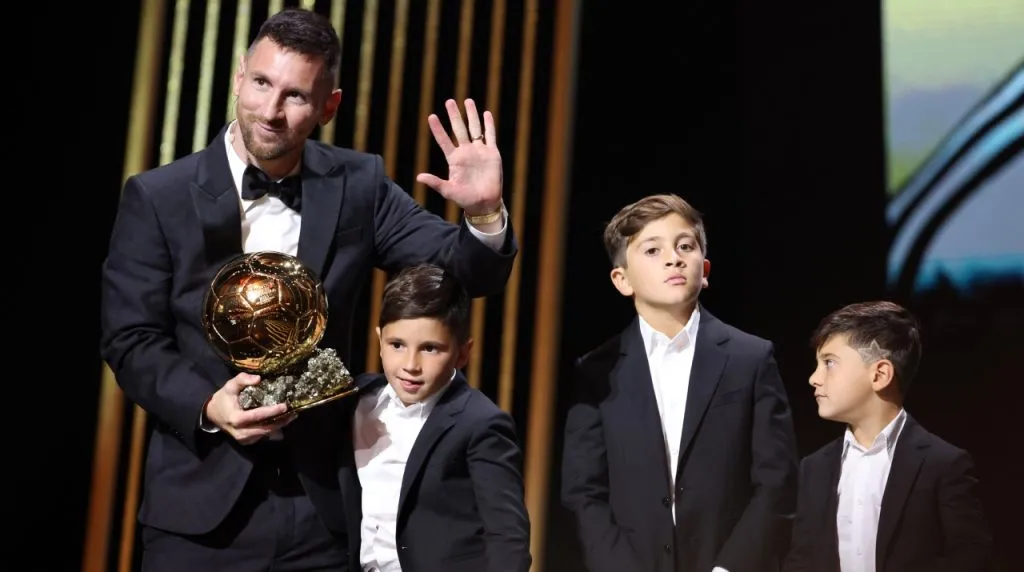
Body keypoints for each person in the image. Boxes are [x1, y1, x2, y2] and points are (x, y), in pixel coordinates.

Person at [99, 7, 517, 570]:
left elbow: (466, 270)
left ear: (329, 106)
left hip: (322, 511)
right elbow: (132, 339)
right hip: (198, 514)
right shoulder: (158, 196)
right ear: (239, 77)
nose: (270, 111)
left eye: (295, 96)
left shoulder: (358, 184)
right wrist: (207, 405)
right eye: (262, 84)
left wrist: (485, 213)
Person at [561, 194, 799, 572]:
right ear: (622, 280)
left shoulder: (749, 358)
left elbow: (776, 482)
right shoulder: (596, 371)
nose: (674, 258)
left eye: (685, 246)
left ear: (704, 269)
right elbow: (583, 491)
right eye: (652, 250)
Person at [340, 263, 531, 572]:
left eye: (430, 349)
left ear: (462, 353)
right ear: (379, 340)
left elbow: (507, 536)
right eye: (397, 345)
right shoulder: (356, 400)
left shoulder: (480, 423)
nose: (410, 365)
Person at [782, 301, 993, 572]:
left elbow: (972, 558)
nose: (814, 378)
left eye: (829, 363)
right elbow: (801, 560)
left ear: (880, 374)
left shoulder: (942, 464)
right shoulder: (814, 468)